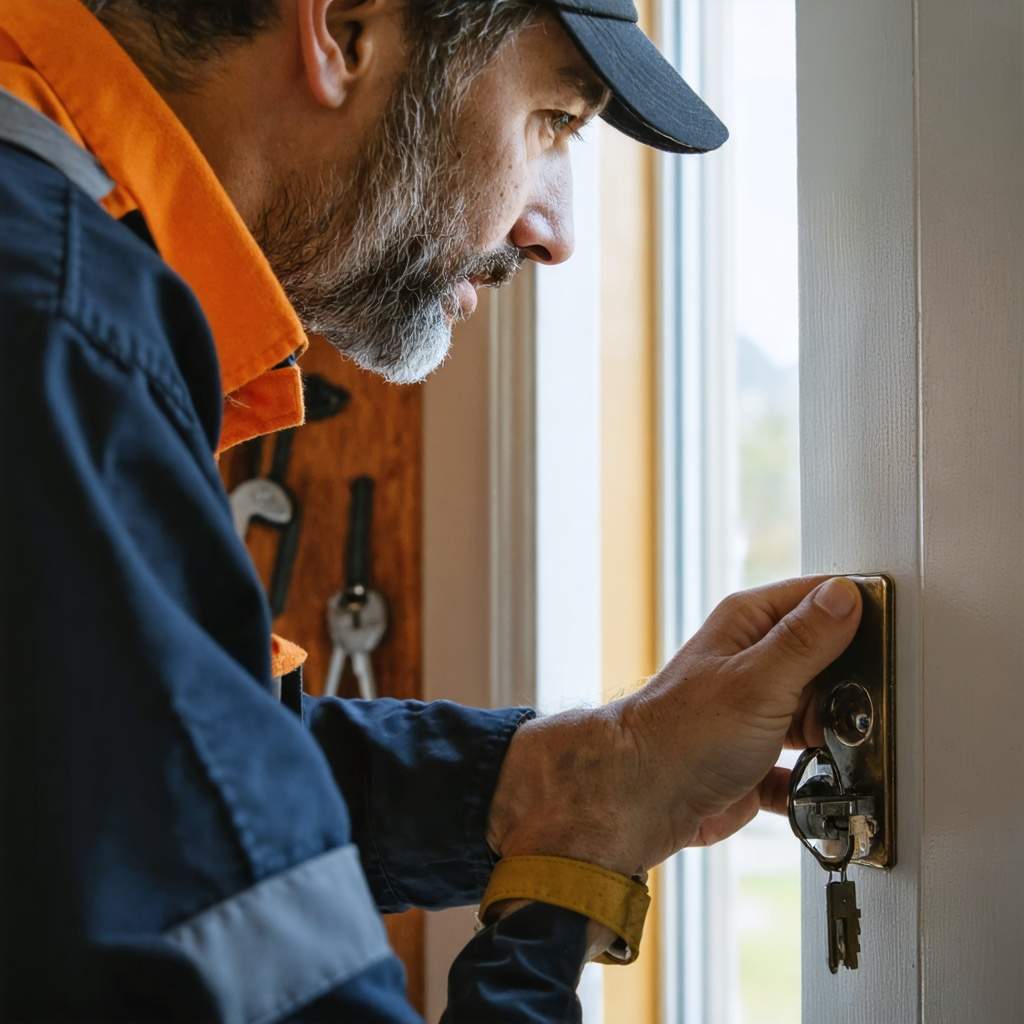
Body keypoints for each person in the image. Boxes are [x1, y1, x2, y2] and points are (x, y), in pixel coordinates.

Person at [0, 0, 863, 1020]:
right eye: (552, 119)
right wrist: (576, 867)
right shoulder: (59, 344)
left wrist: (584, 773)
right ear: (346, 31)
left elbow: (129, 789)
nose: (557, 233)